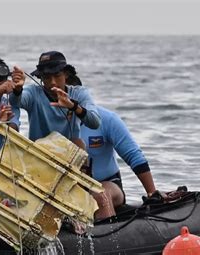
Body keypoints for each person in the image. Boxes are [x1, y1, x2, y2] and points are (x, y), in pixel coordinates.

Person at [65, 70, 160, 220]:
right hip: (67, 188)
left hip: (108, 184)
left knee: (100, 195)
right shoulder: (50, 124)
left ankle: (111, 239)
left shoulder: (107, 119)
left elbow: (134, 156)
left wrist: (152, 193)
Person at [10, 51, 100, 148]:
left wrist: (73, 106)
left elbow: (95, 123)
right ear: (41, 77)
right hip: (40, 153)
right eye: (47, 77)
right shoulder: (33, 93)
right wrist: (17, 89)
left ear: (66, 74)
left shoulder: (79, 93)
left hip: (70, 153)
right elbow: (16, 102)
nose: (53, 82)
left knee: (78, 143)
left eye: (57, 76)